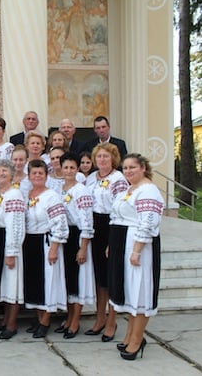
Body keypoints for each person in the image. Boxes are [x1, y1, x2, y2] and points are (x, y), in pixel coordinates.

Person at [108, 154, 164, 360]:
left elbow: (147, 222)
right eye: (125, 168)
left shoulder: (148, 190)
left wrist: (137, 249)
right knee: (131, 291)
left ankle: (137, 339)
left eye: (133, 167)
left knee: (140, 291)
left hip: (139, 245)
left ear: (143, 168)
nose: (128, 171)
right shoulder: (130, 189)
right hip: (123, 243)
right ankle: (130, 334)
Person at [84, 143, 128, 342]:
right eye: (99, 156)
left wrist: (113, 241)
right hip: (95, 227)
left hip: (112, 226)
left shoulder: (118, 179)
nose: (102, 160)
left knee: (110, 277)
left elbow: (120, 209)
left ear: (113, 159)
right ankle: (99, 317)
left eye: (106, 156)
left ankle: (112, 321)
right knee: (99, 277)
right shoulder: (91, 178)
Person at [23, 159, 69, 338]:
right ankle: (38, 316)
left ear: (46, 175)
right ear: (29, 176)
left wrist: (54, 248)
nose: (37, 176)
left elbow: (60, 223)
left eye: (40, 173)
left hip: (46, 241)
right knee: (35, 281)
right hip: (30, 242)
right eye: (34, 173)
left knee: (48, 281)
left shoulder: (51, 196)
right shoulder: (27, 195)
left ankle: (45, 320)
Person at [54, 152, 96, 339]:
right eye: (66, 167)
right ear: (61, 169)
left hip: (78, 237)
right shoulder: (59, 188)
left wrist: (83, 246)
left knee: (78, 280)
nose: (69, 171)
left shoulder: (81, 190)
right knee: (69, 280)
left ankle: (76, 321)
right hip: (65, 236)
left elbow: (87, 220)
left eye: (72, 167)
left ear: (77, 169)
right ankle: (68, 317)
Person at [0, 158, 26, 340]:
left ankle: (11, 324)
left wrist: (11, 252)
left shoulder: (14, 194)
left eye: (4, 170)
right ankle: (4, 319)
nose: (1, 173)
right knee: (3, 282)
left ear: (11, 174)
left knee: (12, 282)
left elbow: (15, 226)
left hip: (8, 240)